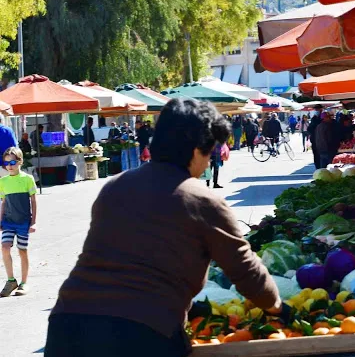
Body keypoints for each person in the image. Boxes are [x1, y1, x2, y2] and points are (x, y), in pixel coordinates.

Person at [45, 98, 282, 357]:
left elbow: (134, 258)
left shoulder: (115, 187)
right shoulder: (202, 200)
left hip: (68, 326)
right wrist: (278, 308)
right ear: (195, 150)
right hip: (140, 335)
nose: (208, 162)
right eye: (209, 151)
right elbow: (245, 269)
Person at [0, 147, 37, 297]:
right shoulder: (3, 181)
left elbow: (34, 201)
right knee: (5, 247)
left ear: (20, 162)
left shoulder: (27, 179)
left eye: (13, 162)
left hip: (23, 222)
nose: (10, 165)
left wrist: (33, 222)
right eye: (6, 162)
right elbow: (3, 202)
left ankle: (24, 282)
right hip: (8, 221)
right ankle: (11, 280)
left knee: (22, 251)